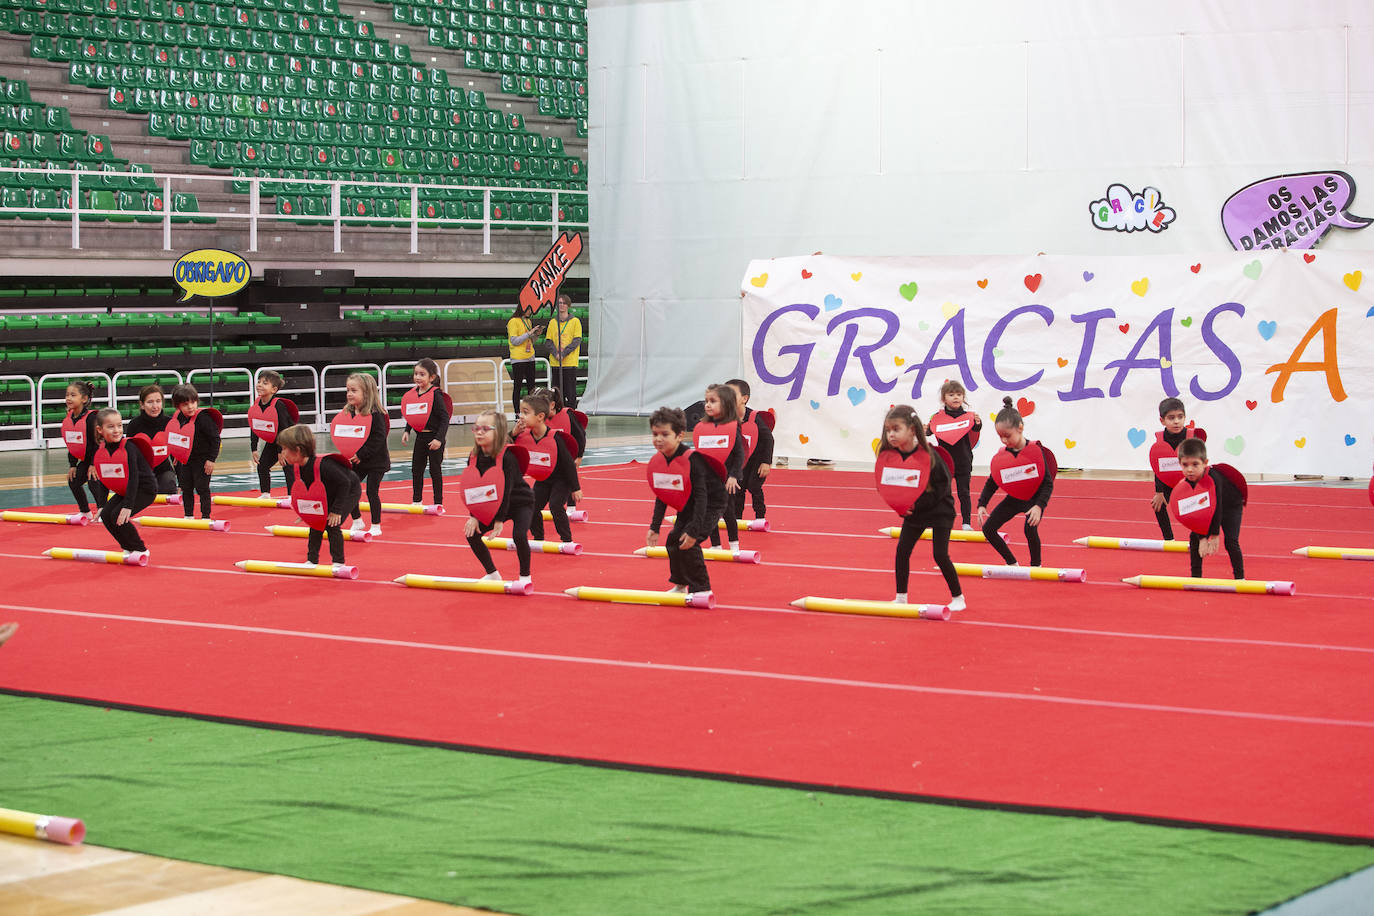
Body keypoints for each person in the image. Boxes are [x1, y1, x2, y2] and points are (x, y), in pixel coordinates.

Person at [877, 405, 964, 610]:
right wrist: (900, 507)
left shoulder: (929, 455)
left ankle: (958, 598)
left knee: (940, 555)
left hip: (940, 510)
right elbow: (888, 487)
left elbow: (943, 486)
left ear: (912, 430)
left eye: (896, 429)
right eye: (888, 430)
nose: (891, 434)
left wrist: (916, 504)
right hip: (915, 512)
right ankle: (901, 597)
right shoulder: (892, 458)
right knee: (902, 551)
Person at [646, 406, 727, 597]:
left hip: (711, 502)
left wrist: (693, 531)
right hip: (687, 502)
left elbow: (702, 498)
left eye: (665, 434)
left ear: (680, 436)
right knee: (673, 541)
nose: (658, 439)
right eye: (655, 434)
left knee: (689, 542)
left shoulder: (692, 460)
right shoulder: (661, 461)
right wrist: (654, 527)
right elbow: (662, 494)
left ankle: (702, 589)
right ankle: (680, 585)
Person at [976, 396, 1056, 568]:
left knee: (1030, 529)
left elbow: (1047, 483)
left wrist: (1039, 506)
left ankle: (1036, 566)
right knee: (988, 529)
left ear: (1020, 428)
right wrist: (982, 504)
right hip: (1014, 498)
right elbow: (992, 481)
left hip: (1034, 499)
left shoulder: (1035, 451)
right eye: (1000, 437)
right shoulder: (1003, 455)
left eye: (1007, 436)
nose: (1004, 441)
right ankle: (1011, 563)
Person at [460, 410, 534, 586]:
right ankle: (492, 573)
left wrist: (499, 520)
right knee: (472, 534)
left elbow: (506, 490)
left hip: (520, 502)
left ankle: (525, 577)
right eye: (476, 428)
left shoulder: (507, 457)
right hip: (497, 503)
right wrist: (474, 516)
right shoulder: (474, 457)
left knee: (519, 535)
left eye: (485, 429)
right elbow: (474, 487)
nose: (479, 432)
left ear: (498, 431)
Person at [277, 424, 360, 569]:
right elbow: (308, 491)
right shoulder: (298, 466)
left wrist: (336, 511)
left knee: (331, 524)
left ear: (297, 450)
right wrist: (305, 511)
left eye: (284, 449)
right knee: (315, 523)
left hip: (349, 489)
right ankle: (312, 559)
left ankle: (339, 562)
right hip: (329, 490)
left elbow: (344, 483)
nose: (282, 453)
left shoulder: (324, 465)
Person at [1171, 438, 1247, 579]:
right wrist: (1202, 538)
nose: (1190, 470)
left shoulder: (1213, 479)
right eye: (1185, 465)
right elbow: (1196, 513)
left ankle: (1240, 578)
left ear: (1205, 463)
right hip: (1208, 506)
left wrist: (1215, 535)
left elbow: (1216, 507)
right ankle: (1196, 577)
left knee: (1230, 541)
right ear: (1179, 463)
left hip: (1231, 506)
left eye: (1195, 464)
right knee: (1195, 538)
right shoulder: (1188, 482)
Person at [88, 407, 156, 561]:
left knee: (118, 516)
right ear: (100, 430)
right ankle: (128, 547)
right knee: (106, 516)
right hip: (125, 489)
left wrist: (128, 506)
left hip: (144, 489)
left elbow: (134, 478)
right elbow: (104, 478)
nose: (117, 430)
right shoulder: (101, 450)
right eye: (111, 427)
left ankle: (140, 549)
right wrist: (101, 505)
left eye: (119, 426)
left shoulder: (129, 448)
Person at [514, 393, 581, 543]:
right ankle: (538, 538)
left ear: (540, 416)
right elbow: (504, 446)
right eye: (520, 412)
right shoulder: (523, 435)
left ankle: (567, 541)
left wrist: (576, 488)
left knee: (555, 506)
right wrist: (513, 433)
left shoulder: (555, 438)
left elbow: (569, 464)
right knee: (531, 506)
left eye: (525, 413)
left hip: (562, 479)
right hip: (544, 479)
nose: (521, 417)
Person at [335, 373, 391, 538]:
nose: (349, 394)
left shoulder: (376, 413)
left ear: (366, 393)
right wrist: (346, 451)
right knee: (348, 487)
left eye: (354, 391)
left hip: (376, 462)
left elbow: (379, 437)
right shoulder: (349, 412)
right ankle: (357, 519)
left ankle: (376, 524)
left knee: (372, 491)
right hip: (357, 460)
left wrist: (361, 454)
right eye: (348, 390)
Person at [693, 383, 744, 552]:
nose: (707, 405)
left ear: (726, 404)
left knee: (728, 512)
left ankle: (734, 545)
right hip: (708, 479)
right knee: (709, 512)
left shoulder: (732, 427)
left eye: (713, 401)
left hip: (727, 479)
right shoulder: (702, 428)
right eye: (706, 401)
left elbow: (739, 454)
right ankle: (716, 545)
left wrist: (733, 476)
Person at [1148, 397, 1207, 541]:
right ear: (1162, 420)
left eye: (1180, 417)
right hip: (1168, 481)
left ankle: (1199, 538)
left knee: (1195, 506)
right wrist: (1159, 492)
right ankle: (1169, 540)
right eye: (1171, 418)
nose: (1176, 421)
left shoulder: (1191, 437)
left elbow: (1200, 464)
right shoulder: (1160, 440)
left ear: (1185, 417)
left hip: (1190, 480)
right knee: (1158, 504)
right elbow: (1159, 467)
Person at [926, 380, 982, 531]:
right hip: (944, 462)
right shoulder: (937, 417)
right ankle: (939, 520)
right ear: (944, 398)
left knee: (964, 493)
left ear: (963, 397)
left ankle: (966, 523)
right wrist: (925, 429)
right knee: (942, 493)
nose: (956, 397)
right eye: (951, 395)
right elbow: (930, 431)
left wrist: (978, 422)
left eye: (959, 394)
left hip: (964, 461)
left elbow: (976, 428)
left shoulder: (968, 416)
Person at [399, 358, 451, 506]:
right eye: (416, 374)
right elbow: (413, 414)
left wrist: (439, 439)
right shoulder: (413, 394)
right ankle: (417, 500)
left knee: (435, 470)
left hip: (435, 438)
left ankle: (438, 503)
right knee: (416, 469)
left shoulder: (436, 394)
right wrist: (407, 430)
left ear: (432, 377)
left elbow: (445, 418)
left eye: (422, 374)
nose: (417, 377)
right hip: (420, 437)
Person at [166, 383, 222, 520]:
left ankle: (205, 516)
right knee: (186, 487)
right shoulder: (178, 417)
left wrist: (211, 460)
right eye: (185, 404)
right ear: (178, 406)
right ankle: (188, 515)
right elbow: (178, 436)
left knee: (202, 487)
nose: (190, 406)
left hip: (203, 460)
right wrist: (177, 454)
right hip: (186, 459)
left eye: (193, 402)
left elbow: (215, 439)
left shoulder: (204, 418)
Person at [725, 379, 773, 523]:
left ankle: (760, 516)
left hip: (757, 459)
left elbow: (768, 439)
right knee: (737, 488)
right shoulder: (725, 418)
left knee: (754, 486)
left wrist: (766, 462)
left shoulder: (753, 418)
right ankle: (736, 518)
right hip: (741, 460)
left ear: (744, 399)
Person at [248, 369, 299, 498]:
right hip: (274, 440)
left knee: (287, 465)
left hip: (288, 440)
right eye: (259, 382)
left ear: (274, 389)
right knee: (262, 466)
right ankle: (265, 493)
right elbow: (254, 426)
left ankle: (292, 496)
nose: (260, 385)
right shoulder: (256, 404)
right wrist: (254, 448)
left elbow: (284, 429)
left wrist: (282, 451)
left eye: (265, 383)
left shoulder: (279, 405)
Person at [59, 380, 105, 521]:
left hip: (101, 457)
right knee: (73, 480)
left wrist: (93, 464)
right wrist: (72, 465)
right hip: (87, 459)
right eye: (67, 395)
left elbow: (97, 443)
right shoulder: (69, 419)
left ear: (84, 399)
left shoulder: (91, 418)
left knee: (93, 480)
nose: (68, 398)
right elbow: (72, 444)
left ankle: (103, 511)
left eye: (73, 395)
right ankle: (85, 511)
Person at [123, 384, 177, 494]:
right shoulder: (134, 425)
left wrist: (182, 483)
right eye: (150, 402)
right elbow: (129, 454)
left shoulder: (170, 423)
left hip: (163, 471)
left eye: (158, 401)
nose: (155, 406)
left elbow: (177, 456)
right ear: (142, 405)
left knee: (168, 486)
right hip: (141, 473)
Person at [545, 293, 582, 408]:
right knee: (557, 393)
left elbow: (576, 340)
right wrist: (556, 353)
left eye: (564, 303)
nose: (561, 305)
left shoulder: (575, 321)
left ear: (568, 305)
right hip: (556, 363)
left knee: (570, 393)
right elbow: (548, 341)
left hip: (569, 363)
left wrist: (563, 353)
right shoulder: (553, 322)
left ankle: (571, 413)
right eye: (560, 303)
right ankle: (559, 413)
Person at [506, 304, 544, 416]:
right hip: (518, 358)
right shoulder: (513, 321)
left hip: (530, 356)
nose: (530, 311)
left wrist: (536, 335)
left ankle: (532, 411)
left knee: (531, 387)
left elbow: (531, 341)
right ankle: (517, 413)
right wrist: (529, 333)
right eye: (528, 309)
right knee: (518, 386)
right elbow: (514, 341)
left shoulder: (528, 321)